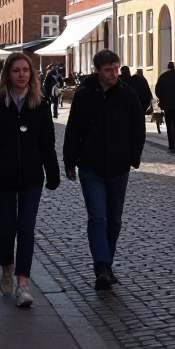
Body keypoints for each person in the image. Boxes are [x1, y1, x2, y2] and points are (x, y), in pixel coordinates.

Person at [0, 53, 61, 308]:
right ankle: (6, 268)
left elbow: (47, 143)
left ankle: (22, 283)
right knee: (7, 229)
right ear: (7, 74)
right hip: (2, 177)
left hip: (32, 177)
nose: (21, 74)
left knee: (26, 228)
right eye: (16, 70)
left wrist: (52, 171)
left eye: (25, 70)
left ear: (31, 75)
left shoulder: (40, 105)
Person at [63, 49, 146, 291]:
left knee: (115, 220)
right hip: (91, 166)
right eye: (108, 70)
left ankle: (106, 263)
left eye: (116, 68)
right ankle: (102, 265)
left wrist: (134, 156)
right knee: (97, 217)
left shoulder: (128, 94)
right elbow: (73, 131)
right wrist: (70, 161)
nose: (113, 74)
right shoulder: (84, 96)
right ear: (96, 71)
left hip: (119, 167)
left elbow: (138, 128)